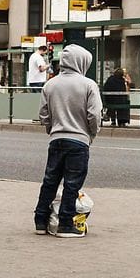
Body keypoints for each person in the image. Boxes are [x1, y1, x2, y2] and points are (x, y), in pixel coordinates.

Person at [33, 44, 103, 238]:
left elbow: (43, 114)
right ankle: (65, 223)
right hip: (79, 140)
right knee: (72, 184)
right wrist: (91, 134)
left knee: (50, 180)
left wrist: (52, 130)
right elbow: (94, 115)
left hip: (56, 139)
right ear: (81, 62)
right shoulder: (88, 84)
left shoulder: (50, 84)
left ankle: (40, 220)